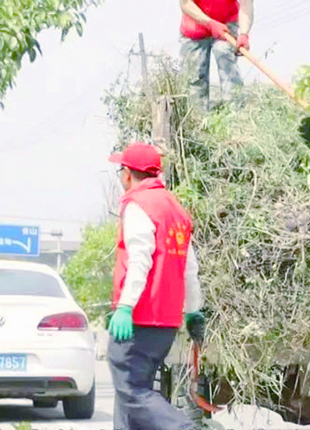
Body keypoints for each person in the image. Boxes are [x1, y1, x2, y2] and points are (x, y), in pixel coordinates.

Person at [106, 142, 206, 430]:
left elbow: (140, 260)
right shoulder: (175, 209)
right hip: (166, 323)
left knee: (131, 389)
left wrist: (125, 307)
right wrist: (192, 311)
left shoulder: (139, 205)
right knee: (130, 399)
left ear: (127, 174)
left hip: (141, 318)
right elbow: (189, 267)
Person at [179, 0, 256, 110]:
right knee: (194, 78)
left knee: (224, 54)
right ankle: (198, 122)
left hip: (227, 27)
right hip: (195, 27)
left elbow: (246, 5)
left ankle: (236, 116)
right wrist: (209, 23)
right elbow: (185, 2)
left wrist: (243, 34)